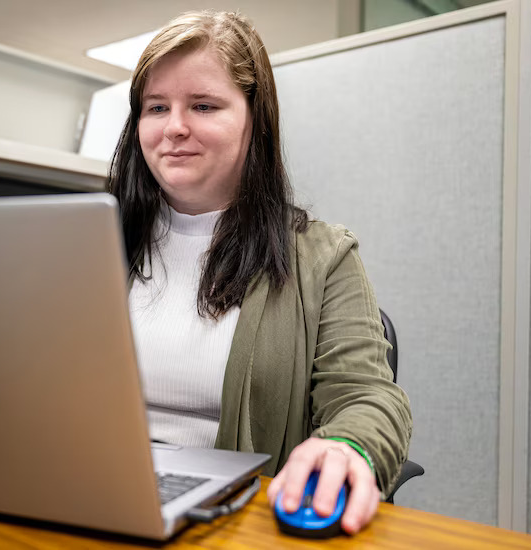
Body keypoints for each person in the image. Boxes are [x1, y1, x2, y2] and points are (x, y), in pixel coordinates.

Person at [107, 10, 412, 535]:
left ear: (256, 121)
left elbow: (366, 396)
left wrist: (348, 444)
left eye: (203, 105)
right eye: (157, 107)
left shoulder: (321, 255)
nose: (174, 127)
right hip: (92, 491)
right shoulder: (93, 238)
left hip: (229, 519)